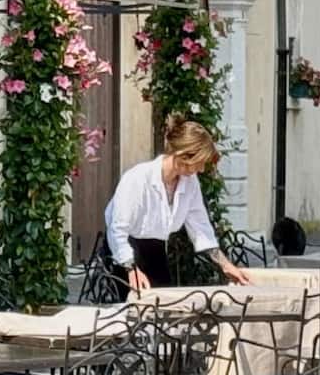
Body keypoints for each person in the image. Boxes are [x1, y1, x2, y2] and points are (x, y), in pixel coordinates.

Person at [104, 116, 254, 292]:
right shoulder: (137, 179)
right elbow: (117, 230)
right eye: (199, 163)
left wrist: (225, 265)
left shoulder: (190, 183)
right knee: (134, 308)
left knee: (166, 304)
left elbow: (200, 228)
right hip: (123, 251)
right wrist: (131, 268)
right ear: (183, 155)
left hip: (156, 248)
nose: (202, 169)